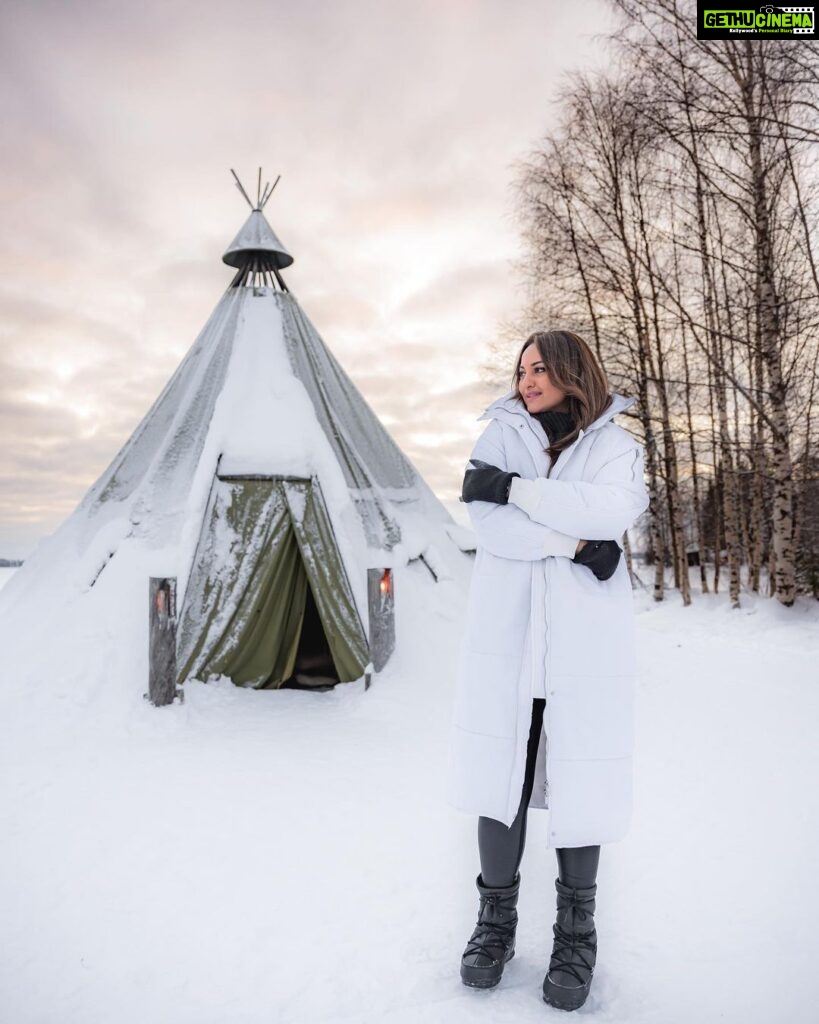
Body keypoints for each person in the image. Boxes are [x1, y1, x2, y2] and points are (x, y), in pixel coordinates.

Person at [448, 329, 650, 1011]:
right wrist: (576, 544)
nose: (526, 379)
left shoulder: (616, 447)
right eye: (520, 368)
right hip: (508, 640)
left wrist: (520, 493)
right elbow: (490, 522)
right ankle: (493, 924)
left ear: (570, 373)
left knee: (579, 782)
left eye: (539, 368)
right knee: (498, 779)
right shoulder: (501, 434)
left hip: (582, 647)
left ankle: (575, 935)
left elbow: (612, 510)